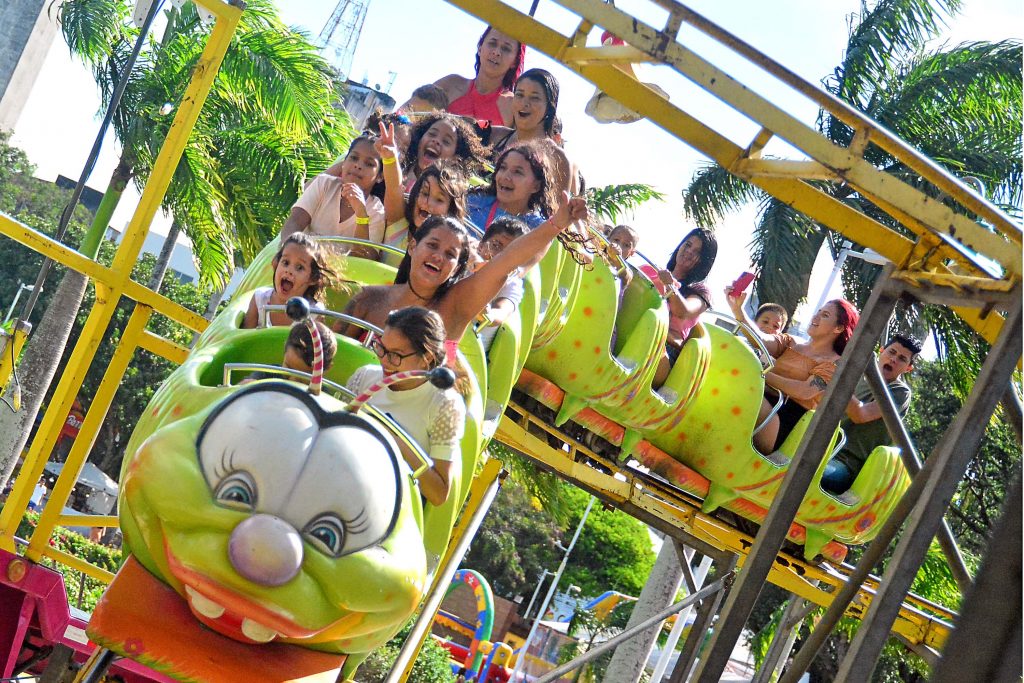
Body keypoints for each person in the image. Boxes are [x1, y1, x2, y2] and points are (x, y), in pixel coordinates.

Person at [341, 193, 588, 344]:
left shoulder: (457, 305)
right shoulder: (369, 299)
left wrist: (557, 223)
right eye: (433, 245)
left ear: (458, 267)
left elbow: (508, 260)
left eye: (450, 254)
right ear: (412, 246)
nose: (438, 257)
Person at [346, 307, 466, 506]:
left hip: (389, 502)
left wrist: (388, 438)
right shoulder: (364, 377)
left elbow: (439, 493)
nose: (384, 360)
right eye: (381, 348)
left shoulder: (444, 405)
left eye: (396, 355)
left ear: (426, 357)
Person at [727, 292, 860, 454]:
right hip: (761, 401)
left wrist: (760, 372)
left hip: (780, 423)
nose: (815, 317)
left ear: (838, 328)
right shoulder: (791, 342)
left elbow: (804, 391)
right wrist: (738, 312)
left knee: (742, 391)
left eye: (824, 315)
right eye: (818, 311)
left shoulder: (835, 363)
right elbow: (760, 340)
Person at [820, 333, 920, 494]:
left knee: (810, 470)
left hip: (844, 463)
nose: (893, 359)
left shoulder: (900, 392)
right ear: (881, 350)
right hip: (819, 446)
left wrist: (837, 380)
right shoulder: (857, 375)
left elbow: (861, 415)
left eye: (902, 359)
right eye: (892, 352)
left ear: (909, 368)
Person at [375, 122, 471, 266]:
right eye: (425, 193)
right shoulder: (398, 222)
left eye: (439, 200)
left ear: (450, 210)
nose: (428, 203)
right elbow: (394, 187)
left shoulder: (449, 251)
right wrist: (390, 158)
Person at [281, 134, 385, 259]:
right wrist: (288, 255)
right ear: (343, 163)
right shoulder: (323, 184)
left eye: (369, 164)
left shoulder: (376, 210)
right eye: (353, 158)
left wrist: (361, 214)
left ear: (380, 176)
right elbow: (294, 221)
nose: (358, 165)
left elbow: (365, 260)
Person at [645, 229, 718, 390]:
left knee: (645, 340)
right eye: (688, 245)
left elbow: (683, 312)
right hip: (635, 328)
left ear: (703, 262)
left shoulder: (701, 291)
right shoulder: (652, 272)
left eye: (697, 252)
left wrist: (670, 287)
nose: (689, 252)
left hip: (664, 349)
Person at [490, 68, 578, 196]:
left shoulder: (557, 159)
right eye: (519, 95)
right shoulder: (495, 136)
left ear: (549, 107)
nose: (525, 103)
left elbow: (558, 213)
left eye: (534, 98)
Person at [416, 26, 526, 127]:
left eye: (506, 49)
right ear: (480, 48)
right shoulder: (450, 85)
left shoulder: (513, 106)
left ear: (515, 61)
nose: (497, 52)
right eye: (492, 43)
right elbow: (407, 113)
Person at [242, 234, 336, 329]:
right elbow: (243, 339)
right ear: (276, 264)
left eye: (299, 268)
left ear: (312, 278)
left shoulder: (314, 313)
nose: (289, 271)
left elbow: (316, 342)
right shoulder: (259, 299)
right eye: (285, 263)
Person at [466, 142, 556, 232]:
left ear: (536, 186)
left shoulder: (538, 228)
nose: (505, 177)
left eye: (517, 172)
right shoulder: (473, 202)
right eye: (503, 168)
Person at [476, 216, 528, 350]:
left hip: (472, 351)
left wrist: (487, 314)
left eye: (511, 252)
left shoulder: (512, 283)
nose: (501, 256)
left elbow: (501, 312)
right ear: (480, 246)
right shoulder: (465, 264)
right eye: (496, 246)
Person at [401, 113, 489, 192]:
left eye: (446, 141)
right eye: (432, 134)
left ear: (456, 158)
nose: (436, 141)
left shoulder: (451, 193)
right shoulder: (398, 167)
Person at [242, 321, 339, 383]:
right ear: (285, 347)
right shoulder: (267, 374)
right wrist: (248, 385)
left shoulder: (322, 393)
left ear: (325, 370)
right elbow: (244, 386)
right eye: (289, 369)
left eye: (303, 377)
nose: (292, 381)